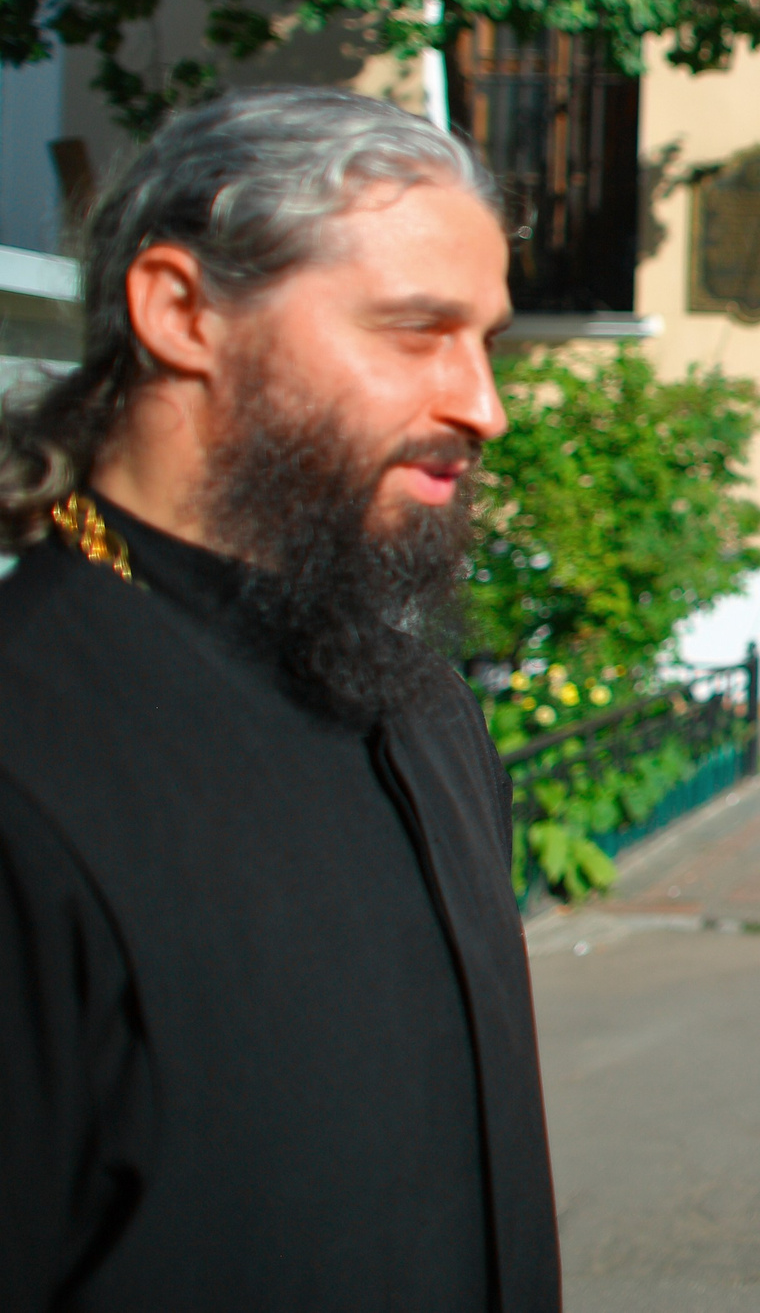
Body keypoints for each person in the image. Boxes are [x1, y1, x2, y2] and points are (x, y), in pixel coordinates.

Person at [0, 87, 560, 1308]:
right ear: (183, 311)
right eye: (417, 331)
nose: (484, 405)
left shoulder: (416, 698)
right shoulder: (27, 747)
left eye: (488, 341)